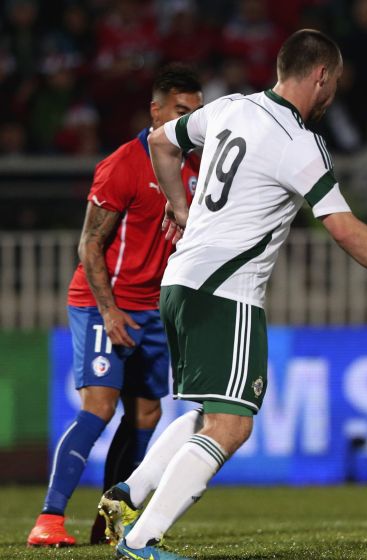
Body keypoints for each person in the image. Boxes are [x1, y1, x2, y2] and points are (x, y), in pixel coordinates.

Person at [98, 29, 367, 560]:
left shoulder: (231, 106)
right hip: (223, 291)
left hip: (180, 281)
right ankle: (141, 542)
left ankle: (129, 493)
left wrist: (179, 205)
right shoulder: (298, 141)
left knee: (212, 412)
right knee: (232, 424)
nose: (334, 93)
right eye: (336, 81)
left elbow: (162, 141)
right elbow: (343, 226)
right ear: (321, 75)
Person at [26, 65, 203, 548]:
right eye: (181, 112)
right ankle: (49, 519)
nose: (189, 122)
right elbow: (89, 244)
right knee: (99, 407)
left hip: (154, 309)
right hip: (105, 302)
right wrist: (108, 311)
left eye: (196, 114)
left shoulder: (195, 169)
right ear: (156, 110)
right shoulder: (124, 163)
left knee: (146, 415)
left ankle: (110, 520)